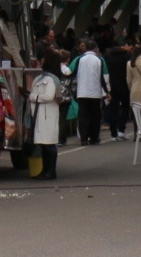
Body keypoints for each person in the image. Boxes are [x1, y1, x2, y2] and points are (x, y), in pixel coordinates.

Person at [30, 51, 63, 179]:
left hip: (48, 114)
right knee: (43, 144)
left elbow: (49, 96)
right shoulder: (39, 78)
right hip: (40, 113)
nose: (41, 61)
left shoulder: (52, 79)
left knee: (49, 143)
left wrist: (33, 97)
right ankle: (45, 170)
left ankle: (51, 170)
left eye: (43, 58)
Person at [71, 39, 106, 145]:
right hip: (95, 92)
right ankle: (94, 137)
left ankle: (84, 138)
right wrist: (107, 91)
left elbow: (73, 73)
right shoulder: (99, 60)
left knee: (83, 116)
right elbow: (102, 77)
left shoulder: (79, 59)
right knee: (95, 116)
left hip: (82, 92)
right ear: (95, 49)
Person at [106, 39, 132, 141]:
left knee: (113, 109)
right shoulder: (127, 57)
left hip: (112, 86)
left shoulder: (107, 57)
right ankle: (121, 129)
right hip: (124, 85)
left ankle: (113, 133)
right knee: (125, 107)